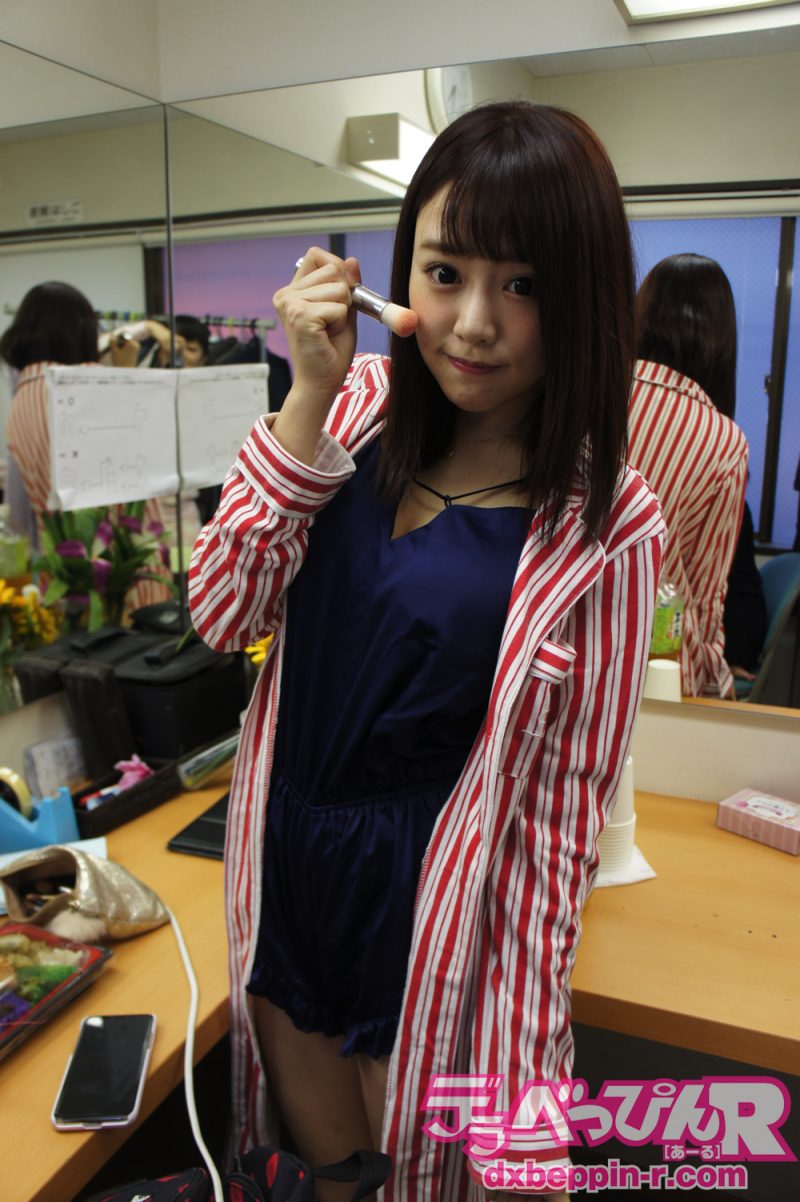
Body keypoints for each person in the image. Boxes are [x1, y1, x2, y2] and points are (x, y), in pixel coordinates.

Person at [189, 102, 665, 1202]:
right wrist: (305, 393)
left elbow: (557, 832)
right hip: (288, 870)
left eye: (524, 285)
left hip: (432, 913)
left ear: (581, 299)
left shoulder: (606, 526)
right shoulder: (349, 411)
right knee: (322, 1179)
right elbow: (220, 611)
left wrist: (527, 1099)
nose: (474, 324)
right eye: (445, 273)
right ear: (399, 275)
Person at [2, 280, 173, 610]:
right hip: (122, 574)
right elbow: (144, 445)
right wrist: (125, 372)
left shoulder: (20, 399)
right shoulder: (88, 382)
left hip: (61, 573)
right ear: (79, 330)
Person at [627, 254, 749, 698]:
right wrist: (717, 688)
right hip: (649, 669)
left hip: (543, 642)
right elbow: (702, 598)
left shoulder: (586, 391)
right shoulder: (724, 441)